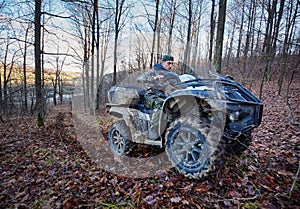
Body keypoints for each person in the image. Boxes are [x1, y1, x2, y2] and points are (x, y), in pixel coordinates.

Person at [137, 55, 179, 140]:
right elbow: (140, 79)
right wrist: (154, 78)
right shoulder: (154, 71)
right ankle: (153, 132)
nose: (170, 66)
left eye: (172, 64)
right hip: (150, 95)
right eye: (168, 63)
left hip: (163, 95)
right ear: (162, 63)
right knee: (160, 103)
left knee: (175, 105)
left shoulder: (169, 75)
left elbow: (178, 85)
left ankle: (171, 130)